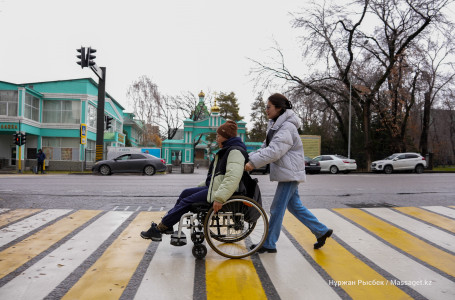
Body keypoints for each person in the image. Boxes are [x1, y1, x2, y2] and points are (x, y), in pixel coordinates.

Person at [245, 93, 333, 253]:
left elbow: (275, 151)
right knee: (295, 206)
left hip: (290, 173)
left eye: (268, 107)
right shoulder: (275, 125)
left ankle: (269, 243)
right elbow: (266, 147)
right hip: (288, 172)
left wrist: (252, 164)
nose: (266, 110)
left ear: (279, 108)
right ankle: (321, 231)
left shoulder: (287, 127)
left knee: (277, 208)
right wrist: (248, 157)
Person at [140, 120, 248, 241]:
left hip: (221, 192)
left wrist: (220, 198)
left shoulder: (234, 151)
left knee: (187, 201)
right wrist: (198, 188)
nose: (216, 138)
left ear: (226, 136)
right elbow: (217, 177)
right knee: (186, 193)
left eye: (218, 136)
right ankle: (168, 224)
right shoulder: (228, 150)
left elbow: (232, 177)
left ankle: (161, 228)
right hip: (215, 188)